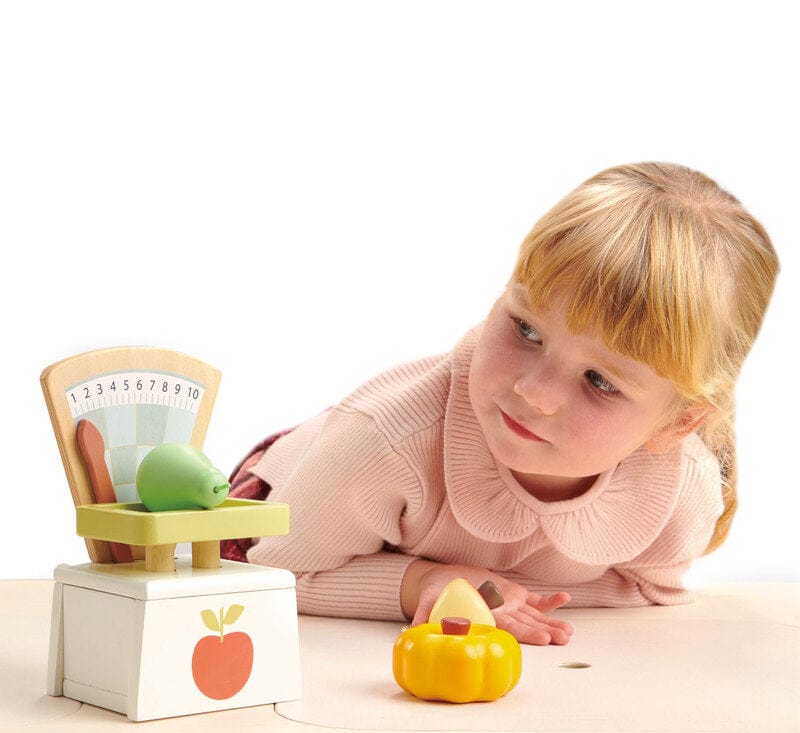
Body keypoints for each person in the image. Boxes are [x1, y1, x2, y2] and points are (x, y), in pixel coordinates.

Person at [224, 162, 779, 646]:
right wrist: (427, 583)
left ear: (680, 422)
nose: (532, 392)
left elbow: (651, 593)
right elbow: (275, 569)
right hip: (281, 515)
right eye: (526, 330)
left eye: (599, 381)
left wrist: (495, 595)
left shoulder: (683, 491)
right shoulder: (385, 440)